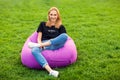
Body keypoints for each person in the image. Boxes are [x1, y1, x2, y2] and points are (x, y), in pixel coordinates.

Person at [28, 7, 68, 77]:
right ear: (48, 15)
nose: (53, 16)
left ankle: (37, 45)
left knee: (65, 36)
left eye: (55, 15)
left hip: (56, 44)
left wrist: (40, 45)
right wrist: (40, 43)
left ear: (57, 16)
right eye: (51, 14)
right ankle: (51, 71)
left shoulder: (61, 26)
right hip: (44, 44)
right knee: (34, 50)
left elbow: (63, 38)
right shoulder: (42, 24)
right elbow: (39, 36)